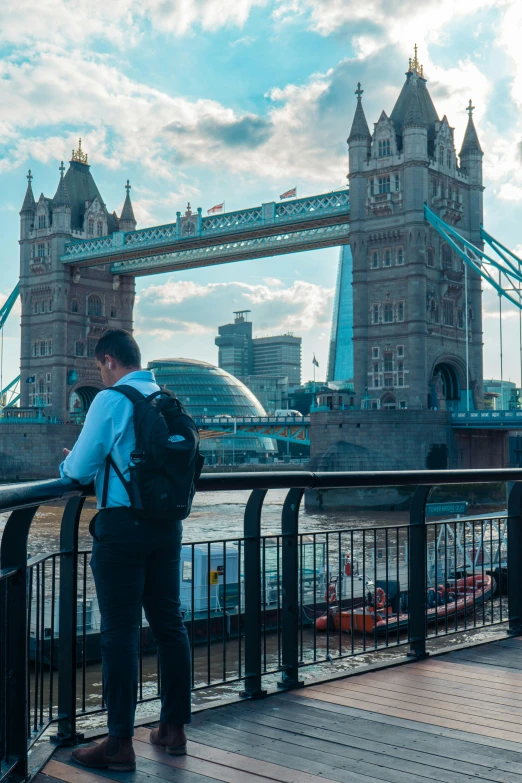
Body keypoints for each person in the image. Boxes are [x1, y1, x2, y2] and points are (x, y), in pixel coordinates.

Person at [60, 329, 191, 771]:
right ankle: (173, 729)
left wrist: (66, 461)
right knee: (170, 625)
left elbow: (79, 468)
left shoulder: (112, 400)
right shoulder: (166, 399)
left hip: (122, 528)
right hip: (166, 526)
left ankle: (118, 744)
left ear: (110, 361)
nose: (102, 374)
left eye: (101, 367)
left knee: (119, 633)